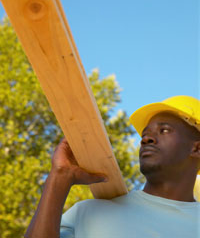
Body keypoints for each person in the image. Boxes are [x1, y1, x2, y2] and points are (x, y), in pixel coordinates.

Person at [25, 95, 200, 238]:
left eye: (165, 130)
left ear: (197, 148)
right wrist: (60, 175)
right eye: (145, 134)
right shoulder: (89, 213)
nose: (146, 139)